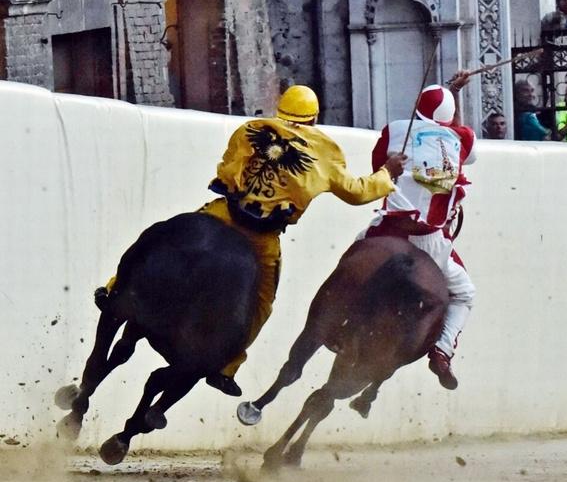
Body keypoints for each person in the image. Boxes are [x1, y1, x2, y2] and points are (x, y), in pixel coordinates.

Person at [95, 85, 407, 397]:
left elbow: (228, 168)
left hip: (224, 214)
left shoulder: (252, 129)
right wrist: (386, 174)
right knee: (262, 303)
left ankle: (113, 290)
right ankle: (228, 366)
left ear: (280, 110)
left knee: (163, 238)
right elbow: (356, 192)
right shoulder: (324, 151)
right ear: (314, 118)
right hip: (262, 237)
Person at [362, 71, 477, 390]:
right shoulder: (461, 138)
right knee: (465, 294)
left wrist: (448, 90)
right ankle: (442, 350)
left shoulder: (394, 130)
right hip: (430, 242)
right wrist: (455, 95)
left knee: (356, 252)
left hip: (387, 230)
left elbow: (377, 170)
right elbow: (462, 140)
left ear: (417, 108)